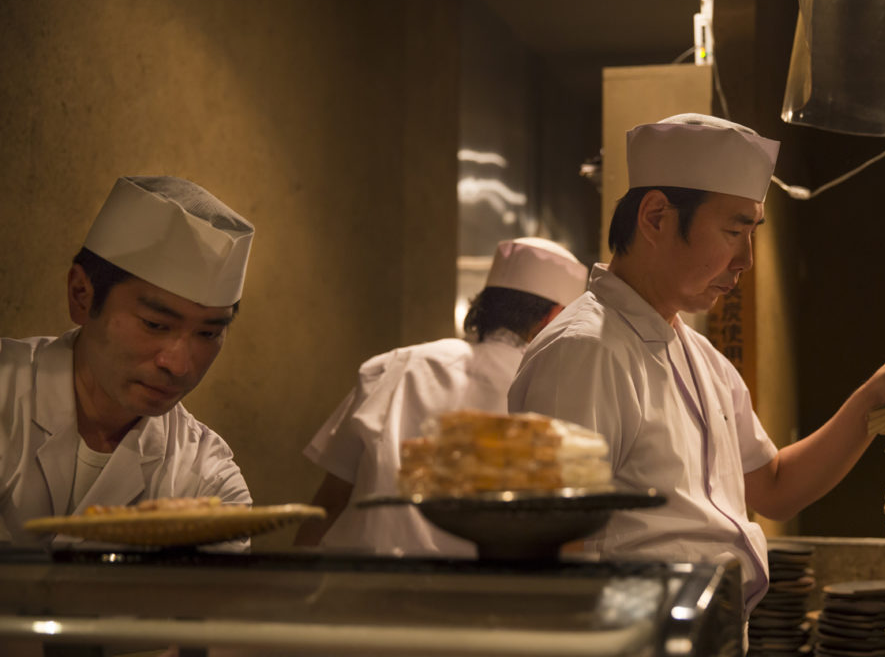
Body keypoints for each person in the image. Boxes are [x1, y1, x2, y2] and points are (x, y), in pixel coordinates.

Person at [508, 114, 885, 615]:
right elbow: (553, 553)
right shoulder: (586, 351)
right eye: (734, 231)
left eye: (753, 232)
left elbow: (775, 488)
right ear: (655, 217)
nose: (746, 260)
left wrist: (876, 399)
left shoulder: (698, 356)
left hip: (699, 656)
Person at [0, 176, 255, 546]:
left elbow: (214, 600)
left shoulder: (207, 481)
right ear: (81, 295)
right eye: (155, 324)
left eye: (208, 333)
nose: (179, 365)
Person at [294, 237, 589, 556]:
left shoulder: (395, 365)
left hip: (358, 586)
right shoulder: (554, 391)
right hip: (474, 596)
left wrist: (295, 591)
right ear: (554, 317)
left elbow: (330, 501)